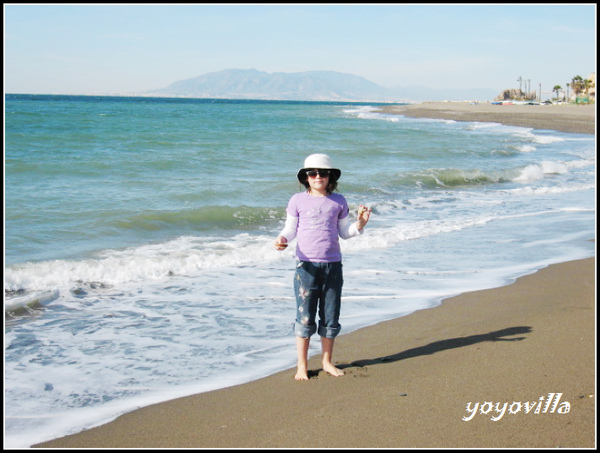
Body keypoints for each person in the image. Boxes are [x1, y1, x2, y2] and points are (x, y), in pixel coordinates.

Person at [274, 153, 371, 380]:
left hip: (332, 266)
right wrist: (282, 239)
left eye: (323, 173)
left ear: (330, 177)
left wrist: (361, 223)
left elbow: (345, 233)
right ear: (306, 178)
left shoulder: (339, 201)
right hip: (306, 267)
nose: (318, 177)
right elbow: (290, 229)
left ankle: (327, 361)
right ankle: (301, 365)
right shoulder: (297, 200)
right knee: (305, 316)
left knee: (330, 315)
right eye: (313, 173)